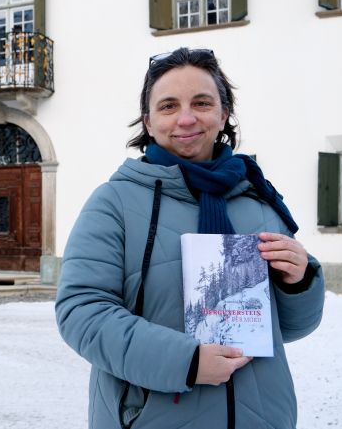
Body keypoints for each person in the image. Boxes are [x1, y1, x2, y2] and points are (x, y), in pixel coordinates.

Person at [55, 47, 324, 429]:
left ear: (223, 113)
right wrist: (187, 361)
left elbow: (290, 328)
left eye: (201, 102)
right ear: (148, 122)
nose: (185, 118)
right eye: (168, 106)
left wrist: (298, 282)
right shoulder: (113, 202)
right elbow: (82, 312)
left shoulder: (259, 200)